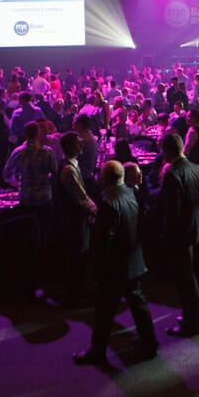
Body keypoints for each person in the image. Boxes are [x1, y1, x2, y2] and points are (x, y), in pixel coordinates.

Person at [73, 161, 159, 365]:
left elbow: (103, 241)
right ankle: (150, 345)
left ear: (104, 179)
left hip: (115, 266)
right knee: (138, 305)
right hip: (133, 259)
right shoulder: (130, 193)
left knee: (104, 312)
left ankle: (98, 352)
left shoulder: (109, 203)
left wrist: (98, 268)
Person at [159, 132, 199, 337]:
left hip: (180, 232)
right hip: (195, 227)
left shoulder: (172, 173)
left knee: (184, 279)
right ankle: (197, 314)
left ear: (167, 150)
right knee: (189, 275)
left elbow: (170, 208)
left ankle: (191, 323)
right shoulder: (197, 168)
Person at [58, 132, 97, 306]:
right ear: (69, 147)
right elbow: (80, 197)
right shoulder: (68, 169)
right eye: (78, 143)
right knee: (76, 256)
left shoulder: (72, 165)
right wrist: (93, 210)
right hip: (73, 219)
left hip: (76, 217)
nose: (81, 145)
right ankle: (73, 296)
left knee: (78, 255)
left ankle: (75, 293)